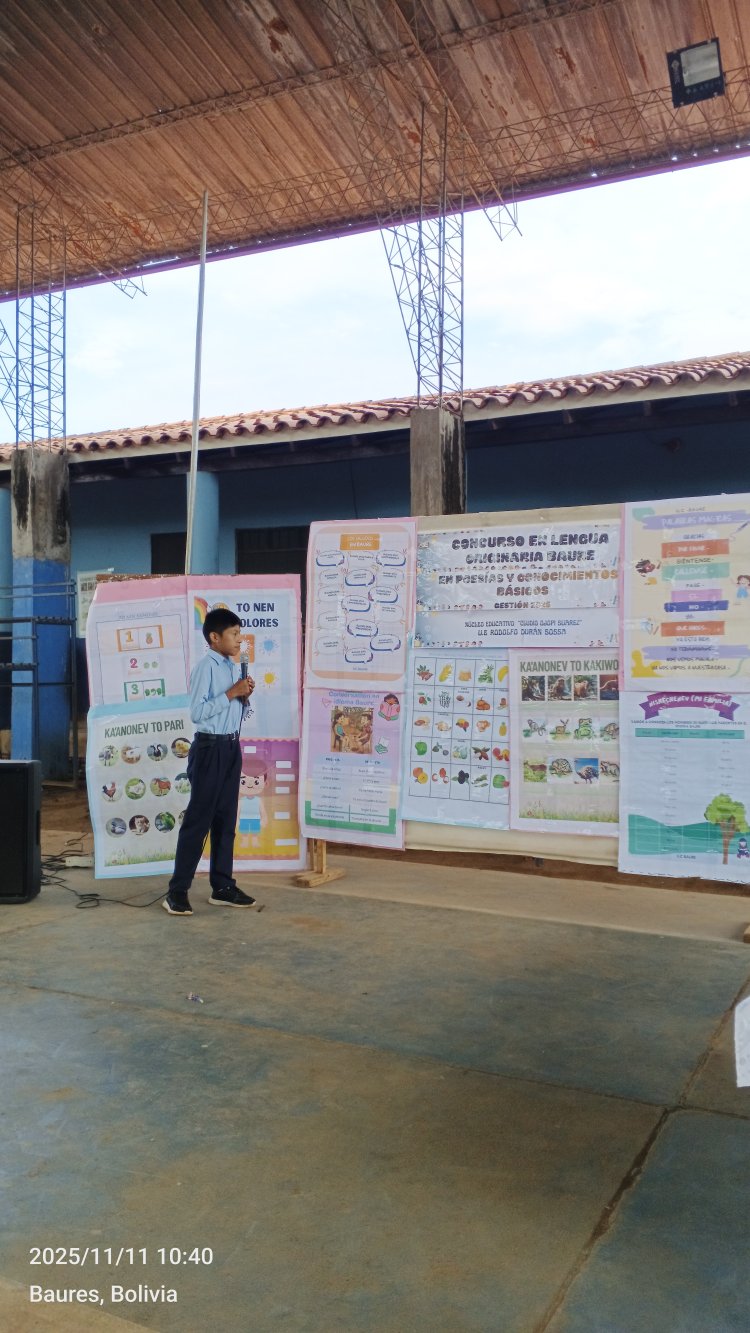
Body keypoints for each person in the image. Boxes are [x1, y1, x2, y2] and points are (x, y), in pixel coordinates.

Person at [162, 608, 258, 916]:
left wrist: (244, 697)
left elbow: (236, 712)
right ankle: (177, 892)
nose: (238, 640)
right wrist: (232, 693)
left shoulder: (233, 668)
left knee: (226, 820)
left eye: (240, 634)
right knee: (198, 821)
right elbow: (197, 713)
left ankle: (222, 886)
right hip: (209, 750)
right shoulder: (207, 667)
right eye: (233, 634)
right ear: (214, 637)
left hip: (231, 748)